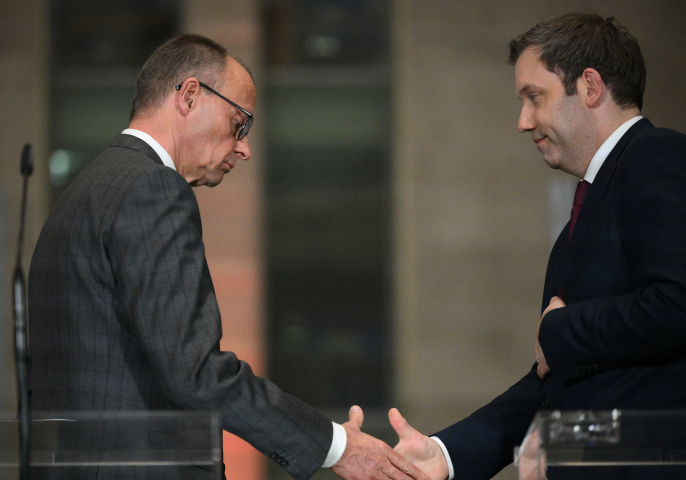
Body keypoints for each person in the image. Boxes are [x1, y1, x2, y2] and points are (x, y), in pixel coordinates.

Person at [28, 33, 427, 480]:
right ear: (191, 95)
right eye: (239, 123)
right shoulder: (153, 189)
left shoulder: (79, 193)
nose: (244, 147)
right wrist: (337, 446)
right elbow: (196, 373)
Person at [386, 12, 686, 480]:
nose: (524, 122)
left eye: (534, 97)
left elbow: (678, 305)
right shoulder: (582, 217)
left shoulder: (658, 157)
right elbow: (552, 381)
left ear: (589, 87)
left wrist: (559, 332)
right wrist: (445, 455)